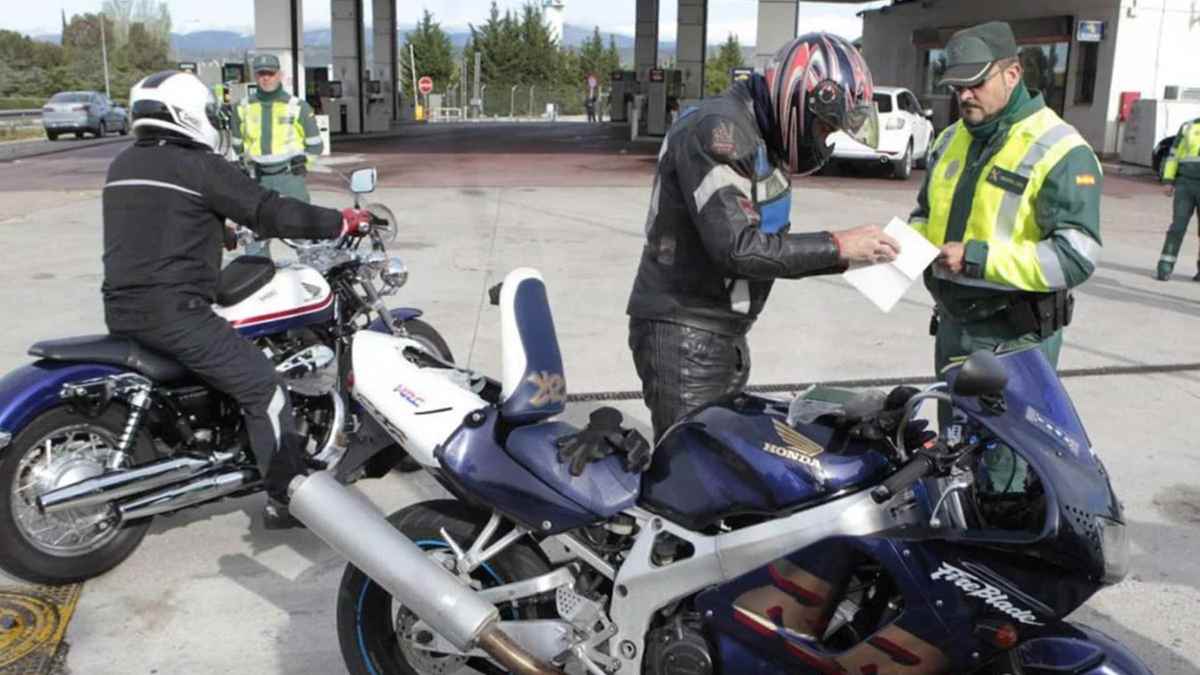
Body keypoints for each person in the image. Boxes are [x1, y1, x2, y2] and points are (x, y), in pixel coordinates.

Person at [102, 70, 372, 528]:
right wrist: (339, 221)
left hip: (123, 308)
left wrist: (217, 229)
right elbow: (271, 210)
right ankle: (287, 499)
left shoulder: (125, 164)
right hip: (175, 312)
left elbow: (158, 222)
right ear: (189, 115)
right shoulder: (200, 167)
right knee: (262, 385)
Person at [625, 33, 901, 441]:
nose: (824, 139)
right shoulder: (719, 132)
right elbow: (737, 248)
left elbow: (769, 248)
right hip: (685, 332)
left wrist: (847, 257)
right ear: (797, 100)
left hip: (718, 334)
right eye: (825, 125)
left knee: (725, 466)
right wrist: (839, 244)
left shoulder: (760, 137)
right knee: (694, 472)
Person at [908, 21, 1102, 493]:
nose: (964, 96)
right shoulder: (949, 138)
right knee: (954, 461)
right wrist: (908, 245)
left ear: (1013, 74)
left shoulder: (1060, 149)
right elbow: (924, 212)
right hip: (954, 329)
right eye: (956, 87)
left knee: (1003, 473)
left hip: (1013, 342)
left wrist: (977, 258)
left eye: (976, 83)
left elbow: (1076, 257)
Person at [230, 54, 325, 258]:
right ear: (255, 76)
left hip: (289, 178)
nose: (266, 78)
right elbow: (237, 144)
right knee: (255, 241)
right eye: (261, 73)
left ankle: (312, 284)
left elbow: (316, 145)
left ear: (279, 75)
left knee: (304, 237)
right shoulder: (241, 107)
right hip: (257, 181)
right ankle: (261, 283)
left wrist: (304, 162)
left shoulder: (298, 106)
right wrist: (242, 165)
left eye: (270, 73)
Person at [1154, 116, 1200, 281]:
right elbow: (1173, 155)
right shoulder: (1188, 127)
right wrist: (1168, 180)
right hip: (1185, 185)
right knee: (1177, 228)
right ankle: (1164, 267)